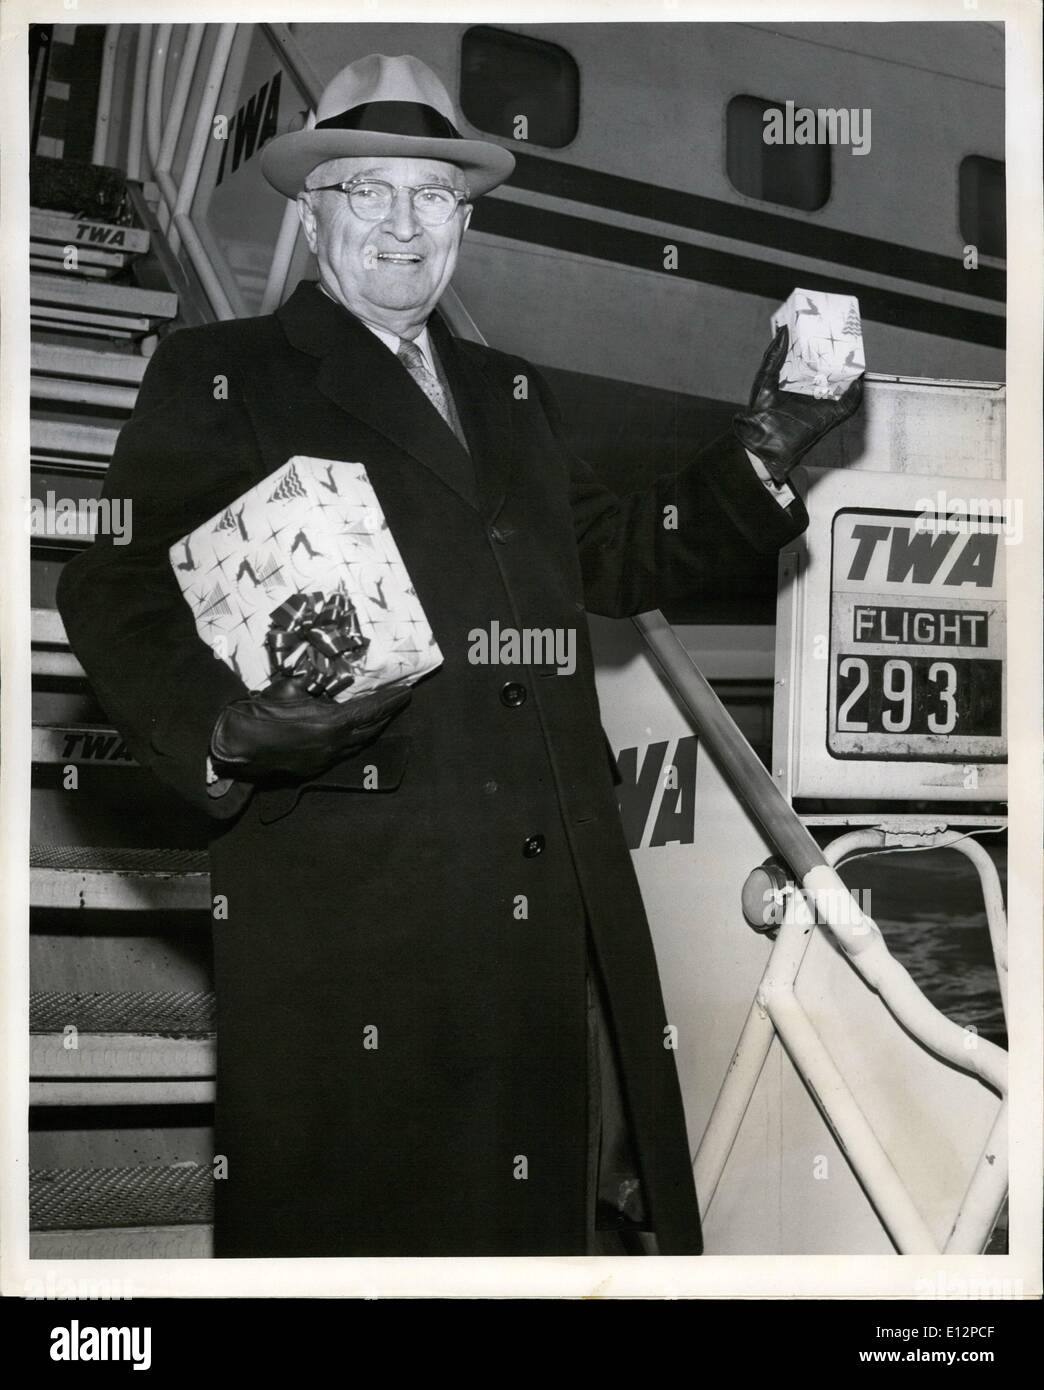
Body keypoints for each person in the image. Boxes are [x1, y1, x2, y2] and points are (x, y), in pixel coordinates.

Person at [56, 53, 862, 1258]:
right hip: (360, 938)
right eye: (368, 190)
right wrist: (224, 725)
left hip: (548, 930)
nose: (401, 223)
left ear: (464, 221)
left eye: (431, 194)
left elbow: (620, 556)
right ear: (313, 210)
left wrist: (771, 444)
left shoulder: (513, 390)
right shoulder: (224, 374)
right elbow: (111, 581)